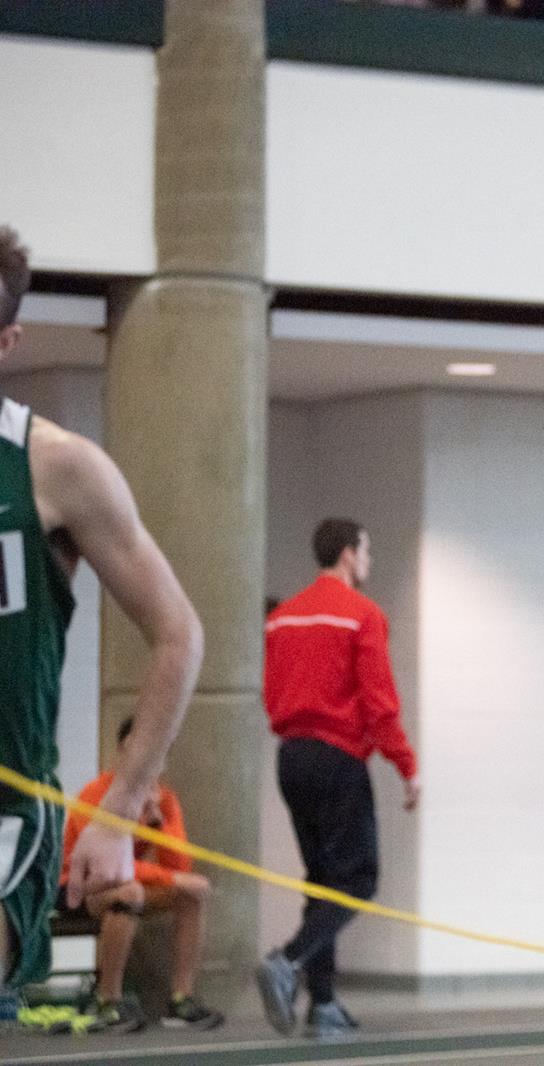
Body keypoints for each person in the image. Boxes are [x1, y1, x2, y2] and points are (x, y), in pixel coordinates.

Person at [0, 225, 204, 1019]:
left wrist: (119, 811)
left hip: (8, 820)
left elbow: (180, 636)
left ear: (8, 340)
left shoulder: (54, 467)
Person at [256, 518, 420, 1039]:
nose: (369, 562)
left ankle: (322, 1002)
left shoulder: (281, 619)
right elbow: (379, 705)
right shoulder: (362, 615)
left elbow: (271, 691)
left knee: (322, 880)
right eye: (367, 551)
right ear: (350, 554)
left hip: (291, 758)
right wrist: (406, 766)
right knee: (357, 880)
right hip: (337, 759)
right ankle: (288, 961)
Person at [57, 717, 223, 1031]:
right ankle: (109, 1001)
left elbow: (179, 868)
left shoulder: (163, 798)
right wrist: (168, 879)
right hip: (81, 887)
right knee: (130, 892)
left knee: (195, 891)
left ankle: (181, 998)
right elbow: (103, 866)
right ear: (124, 750)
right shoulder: (96, 794)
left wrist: (159, 821)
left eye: (160, 752)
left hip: (131, 882)